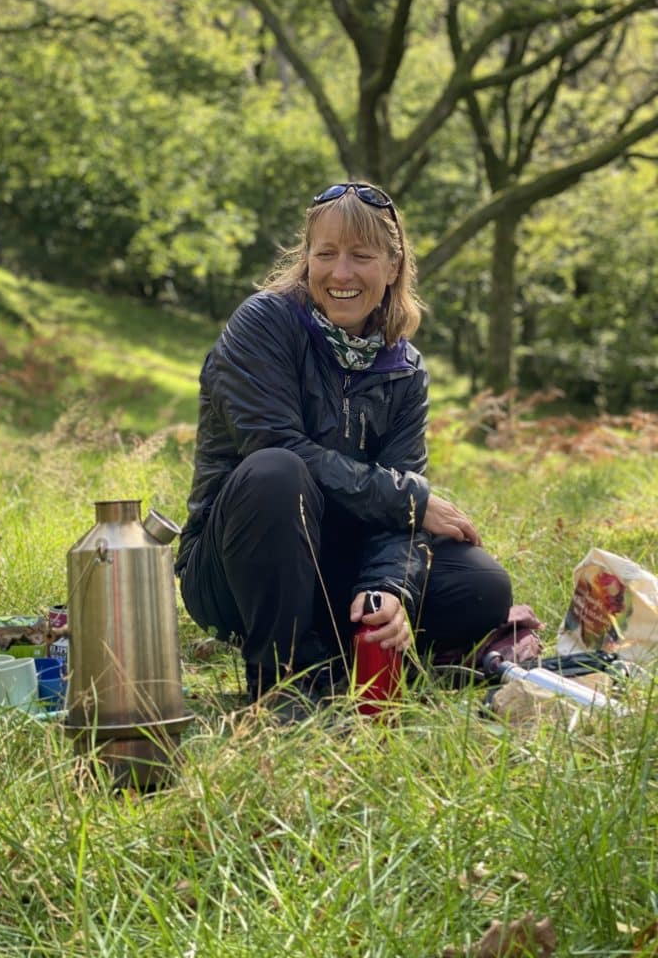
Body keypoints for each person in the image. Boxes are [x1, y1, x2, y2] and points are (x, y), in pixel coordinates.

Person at [175, 182, 537, 712]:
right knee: (278, 471)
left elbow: (399, 503)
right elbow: (276, 444)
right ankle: (285, 683)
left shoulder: (405, 369)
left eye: (361, 256)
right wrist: (408, 500)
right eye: (326, 254)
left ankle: (353, 646)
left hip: (332, 562)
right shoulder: (264, 324)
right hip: (236, 564)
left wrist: (388, 589)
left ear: (393, 267)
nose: (341, 273)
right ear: (307, 260)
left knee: (482, 586)